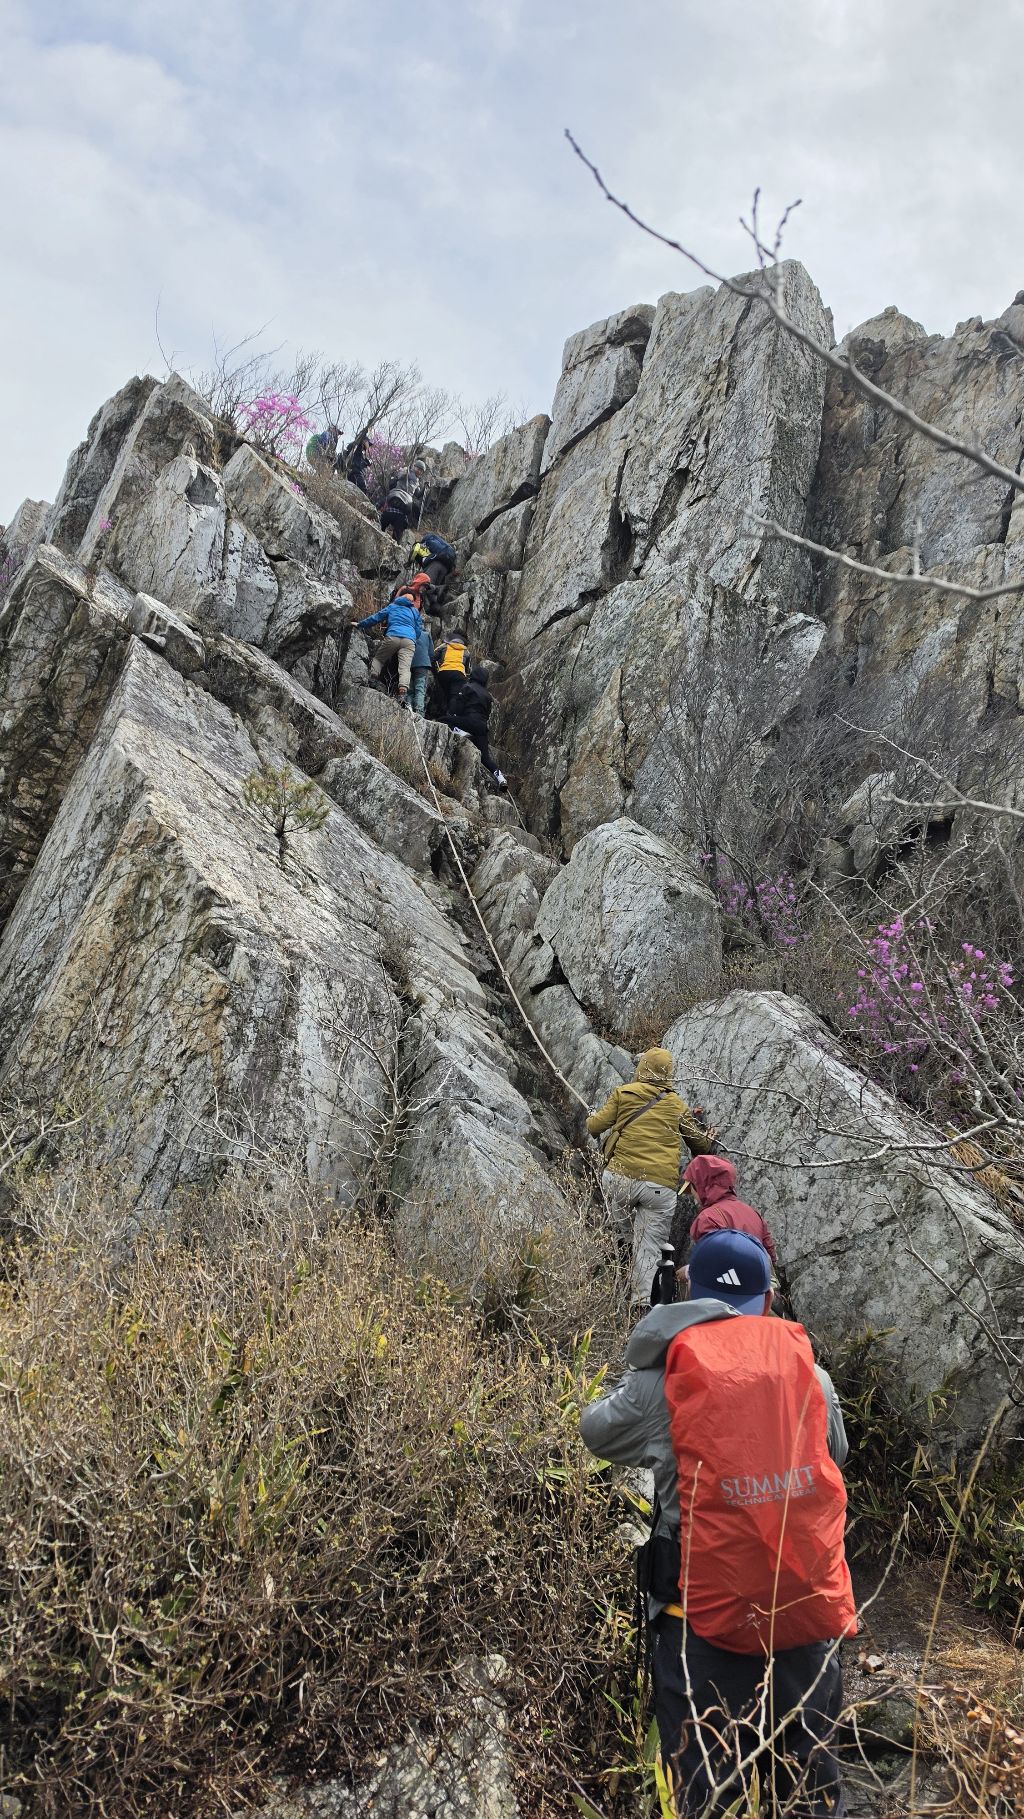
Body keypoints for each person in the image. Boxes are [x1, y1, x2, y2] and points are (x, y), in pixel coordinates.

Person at [579, 1230, 854, 1817]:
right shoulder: (812, 1376)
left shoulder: (663, 1381)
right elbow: (836, 1453)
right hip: (804, 1623)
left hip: (698, 1629)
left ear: (689, 1293)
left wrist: (650, 1355)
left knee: (705, 1798)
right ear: (768, 1300)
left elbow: (596, 1431)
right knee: (807, 1796)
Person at [587, 1049, 717, 1301]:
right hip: (658, 1188)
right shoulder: (677, 1105)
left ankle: (623, 1248)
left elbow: (595, 1126)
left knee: (621, 1217)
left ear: (642, 1067)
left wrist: (592, 1115)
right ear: (668, 1074)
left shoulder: (623, 1093)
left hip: (620, 1179)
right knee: (649, 1249)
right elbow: (700, 1146)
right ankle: (642, 1303)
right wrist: (707, 1136)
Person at [680, 1154, 778, 1271]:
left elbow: (714, 1264)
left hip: (732, 1281)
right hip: (759, 1280)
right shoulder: (752, 1212)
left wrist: (688, 1272)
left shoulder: (707, 1218)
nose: (694, 1198)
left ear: (701, 1186)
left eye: (692, 1190)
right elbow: (770, 1255)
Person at [354, 590, 423, 706]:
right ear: (411, 600)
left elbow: (376, 618)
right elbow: (418, 629)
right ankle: (402, 692)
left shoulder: (393, 606)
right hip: (409, 640)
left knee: (379, 659)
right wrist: (412, 637)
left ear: (400, 597)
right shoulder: (414, 611)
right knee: (405, 668)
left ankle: (373, 678)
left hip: (393, 636)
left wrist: (360, 624)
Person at [448, 665, 506, 789]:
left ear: (474, 675)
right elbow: (487, 714)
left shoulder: (467, 687)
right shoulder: (488, 695)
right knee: (485, 757)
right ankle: (501, 778)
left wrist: (454, 716)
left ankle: (461, 733)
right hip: (481, 727)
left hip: (468, 721)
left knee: (448, 719)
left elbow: (457, 708)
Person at [380, 458, 428, 539]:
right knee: (383, 522)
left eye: (421, 471)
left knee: (399, 529)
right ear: (414, 467)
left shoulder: (416, 482)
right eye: (418, 469)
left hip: (405, 503)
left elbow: (417, 495)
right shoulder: (407, 471)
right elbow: (398, 476)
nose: (419, 471)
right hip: (396, 497)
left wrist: (424, 488)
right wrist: (404, 471)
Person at [435, 630, 470, 715]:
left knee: (442, 694)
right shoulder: (466, 651)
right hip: (459, 674)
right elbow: (468, 669)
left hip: (444, 672)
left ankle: (438, 714)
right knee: (454, 696)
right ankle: (450, 716)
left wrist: (436, 669)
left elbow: (433, 656)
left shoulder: (444, 646)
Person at [409, 622, 435, 717]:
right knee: (420, 688)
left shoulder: (408, 633)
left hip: (409, 663)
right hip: (422, 665)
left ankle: (408, 709)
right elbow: (431, 653)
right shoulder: (426, 635)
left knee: (410, 689)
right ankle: (419, 712)